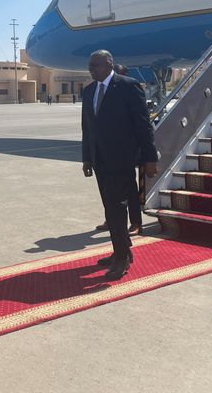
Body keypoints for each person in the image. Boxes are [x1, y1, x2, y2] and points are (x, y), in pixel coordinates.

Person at [81, 50, 157, 280]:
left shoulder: (128, 86)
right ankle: (120, 251)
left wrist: (149, 157)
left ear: (108, 64)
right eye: (89, 66)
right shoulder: (89, 91)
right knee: (110, 208)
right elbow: (87, 128)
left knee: (116, 209)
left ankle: (122, 258)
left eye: (95, 65)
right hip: (99, 160)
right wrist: (86, 157)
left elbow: (142, 125)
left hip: (121, 159)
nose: (91, 70)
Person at [95, 64, 144, 236]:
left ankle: (136, 222)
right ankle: (111, 219)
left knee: (130, 191)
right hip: (104, 154)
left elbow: (140, 124)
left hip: (125, 154)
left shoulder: (129, 87)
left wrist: (145, 154)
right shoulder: (97, 91)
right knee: (107, 191)